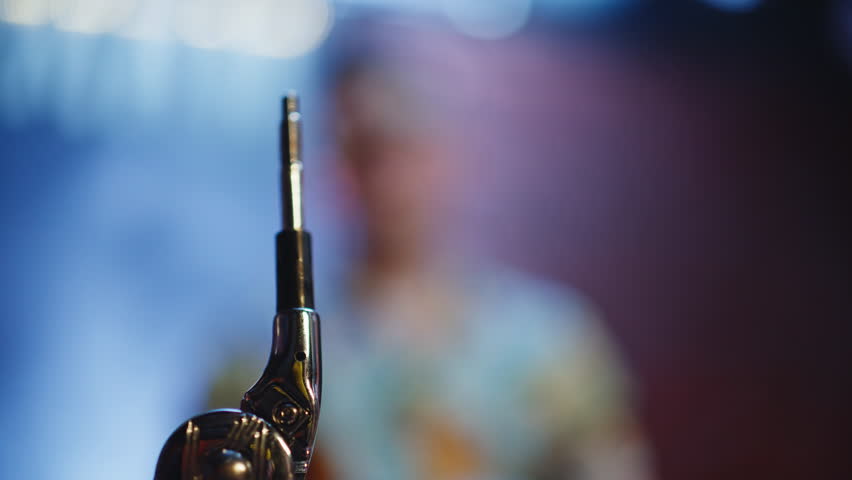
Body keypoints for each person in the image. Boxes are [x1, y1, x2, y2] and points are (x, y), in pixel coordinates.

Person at [209, 19, 652, 480]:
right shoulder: (266, 350)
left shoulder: (549, 342)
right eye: (366, 151)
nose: (390, 179)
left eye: (408, 146)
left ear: (451, 152)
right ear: (340, 163)